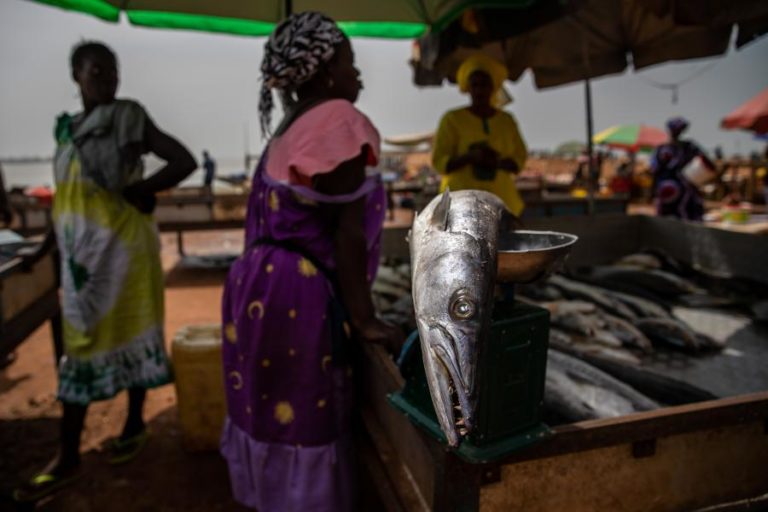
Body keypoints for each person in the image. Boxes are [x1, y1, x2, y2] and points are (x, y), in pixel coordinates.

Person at [219, 12, 401, 512]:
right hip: (295, 294)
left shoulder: (289, 126)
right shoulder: (338, 121)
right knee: (304, 409)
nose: (357, 75)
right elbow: (346, 230)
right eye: (349, 63)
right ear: (322, 74)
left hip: (253, 285)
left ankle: (274, 497)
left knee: (269, 403)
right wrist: (364, 320)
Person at [13, 41, 196, 503]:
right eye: (97, 71)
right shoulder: (66, 130)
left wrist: (140, 189)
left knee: (132, 330)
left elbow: (183, 160)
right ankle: (69, 455)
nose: (107, 79)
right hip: (81, 260)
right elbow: (66, 197)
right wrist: (45, 247)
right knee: (79, 344)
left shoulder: (128, 115)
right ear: (76, 75)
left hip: (124, 251)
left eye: (112, 71)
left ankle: (128, 428)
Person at [431, 54, 528, 216]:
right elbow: (440, 162)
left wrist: (495, 162)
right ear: (468, 88)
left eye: (484, 85)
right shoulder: (452, 119)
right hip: (460, 207)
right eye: (475, 85)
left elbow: (519, 158)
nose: (479, 90)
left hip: (502, 204)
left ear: (493, 87)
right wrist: (470, 157)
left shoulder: (507, 120)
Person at [651, 117, 714, 221]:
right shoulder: (688, 147)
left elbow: (654, 169)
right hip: (673, 190)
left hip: (679, 190)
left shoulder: (665, 148)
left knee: (678, 215)